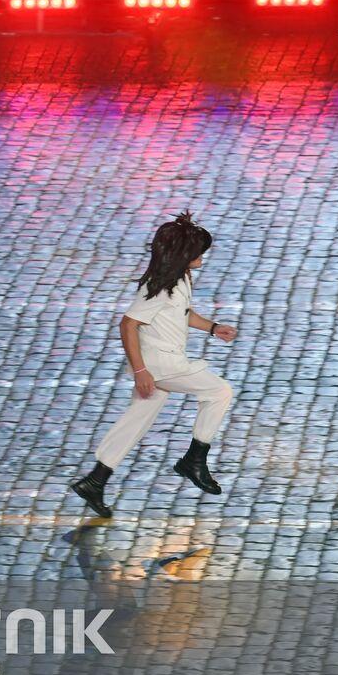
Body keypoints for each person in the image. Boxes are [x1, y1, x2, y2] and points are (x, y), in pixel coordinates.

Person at [70, 212, 239, 518]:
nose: (203, 256)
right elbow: (128, 324)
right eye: (199, 251)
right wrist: (140, 372)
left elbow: (183, 314)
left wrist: (213, 328)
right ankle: (194, 460)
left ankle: (95, 481)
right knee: (219, 392)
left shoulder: (180, 279)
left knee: (136, 419)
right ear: (184, 254)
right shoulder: (161, 286)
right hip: (160, 364)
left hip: (161, 362)